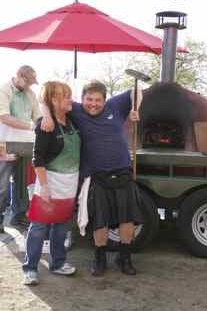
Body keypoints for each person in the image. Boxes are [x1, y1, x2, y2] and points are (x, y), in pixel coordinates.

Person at [41, 80, 143, 277]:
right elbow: (45, 98)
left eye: (98, 100)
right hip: (96, 176)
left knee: (127, 220)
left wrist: (135, 108)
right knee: (99, 220)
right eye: (89, 99)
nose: (93, 104)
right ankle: (99, 257)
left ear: (105, 100)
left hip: (122, 172)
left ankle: (124, 257)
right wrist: (46, 115)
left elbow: (137, 90)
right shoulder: (76, 110)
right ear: (82, 99)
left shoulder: (116, 105)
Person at [23, 81, 80, 286]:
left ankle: (58, 263)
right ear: (54, 100)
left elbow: (41, 99)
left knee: (61, 226)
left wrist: (47, 109)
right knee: (39, 227)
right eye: (66, 96)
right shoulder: (45, 125)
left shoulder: (71, 119)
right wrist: (45, 186)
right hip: (50, 183)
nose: (70, 99)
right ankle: (30, 268)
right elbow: (37, 159)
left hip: (69, 184)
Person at [0, 65, 40, 232]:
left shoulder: (30, 94)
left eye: (32, 82)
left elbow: (38, 117)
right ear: (19, 76)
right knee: (2, 184)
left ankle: (19, 216)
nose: (30, 85)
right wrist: (30, 126)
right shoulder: (4, 90)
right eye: (28, 81)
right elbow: (4, 117)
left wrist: (40, 123)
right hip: (5, 144)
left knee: (22, 184)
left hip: (26, 145)